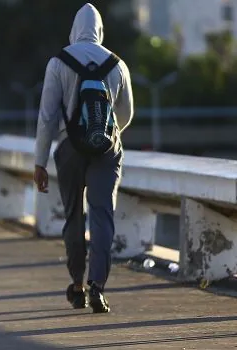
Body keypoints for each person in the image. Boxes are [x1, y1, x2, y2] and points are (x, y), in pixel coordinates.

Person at [33, 3, 134, 313]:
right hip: (106, 150)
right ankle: (98, 286)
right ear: (100, 31)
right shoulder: (117, 65)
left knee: (74, 215)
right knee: (102, 215)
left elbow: (47, 116)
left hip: (69, 149)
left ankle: (76, 284)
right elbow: (126, 114)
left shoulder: (58, 62)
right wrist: (102, 132)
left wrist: (40, 161)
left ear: (75, 30)